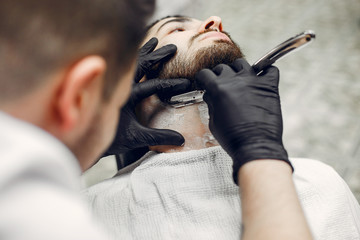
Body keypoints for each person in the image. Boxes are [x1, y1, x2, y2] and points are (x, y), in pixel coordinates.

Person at [82, 15, 360, 240]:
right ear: (136, 81)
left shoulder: (323, 183)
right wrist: (80, 147)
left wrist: (258, 146)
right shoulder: (87, 212)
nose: (214, 20)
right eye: (177, 27)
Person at [0, 1, 194, 239]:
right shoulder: (41, 219)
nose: (214, 21)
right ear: (78, 97)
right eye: (117, 101)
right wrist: (254, 154)